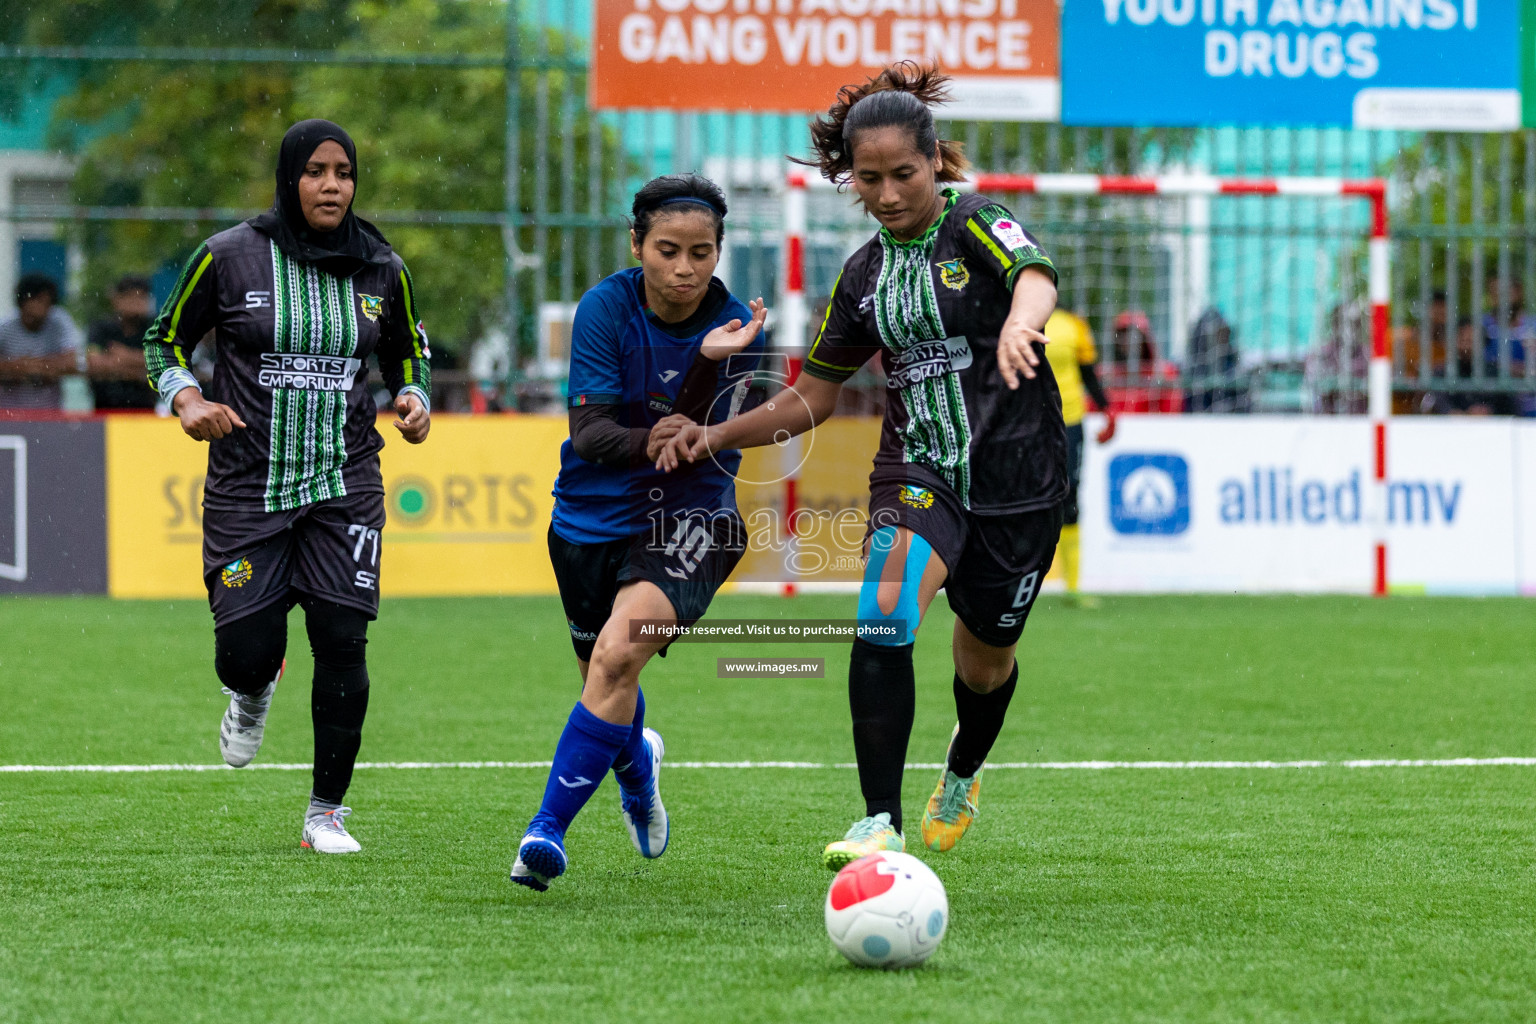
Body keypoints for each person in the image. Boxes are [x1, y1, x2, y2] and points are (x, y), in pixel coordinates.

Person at [658, 63, 1063, 866]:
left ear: (934, 161)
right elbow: (812, 399)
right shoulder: (863, 277)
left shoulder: (976, 222)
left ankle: (962, 770)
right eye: (867, 179)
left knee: (984, 665)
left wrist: (1022, 323)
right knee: (884, 610)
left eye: (902, 174)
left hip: (1019, 478)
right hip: (919, 469)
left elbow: (1036, 275)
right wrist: (715, 434)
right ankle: (879, 819)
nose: (886, 194)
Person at [143, 119, 431, 854]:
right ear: (289, 178)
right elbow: (164, 337)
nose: (332, 185)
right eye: (316, 171)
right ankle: (250, 689)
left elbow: (407, 350)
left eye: (344, 172)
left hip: (346, 483)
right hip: (247, 486)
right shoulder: (229, 257)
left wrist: (413, 397)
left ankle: (325, 814)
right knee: (244, 650)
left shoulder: (381, 269)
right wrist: (186, 399)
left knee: (342, 637)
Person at [509, 174, 768, 892]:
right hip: (588, 518)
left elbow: (704, 442)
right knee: (604, 674)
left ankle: (545, 832)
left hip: (693, 516)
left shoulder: (741, 327)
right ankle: (638, 770)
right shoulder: (603, 308)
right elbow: (591, 435)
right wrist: (674, 419)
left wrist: (716, 363)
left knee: (617, 657)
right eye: (667, 250)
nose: (685, 269)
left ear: (719, 251)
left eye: (701, 252)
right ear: (637, 245)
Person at [1042, 309, 1115, 609]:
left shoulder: (1074, 326)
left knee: (1069, 494)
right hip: (1028, 420)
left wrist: (1106, 410)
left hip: (1070, 421)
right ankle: (1019, 581)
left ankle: (1072, 586)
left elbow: (1087, 372)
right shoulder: (1016, 319)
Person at [0, 273, 83, 410]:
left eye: (47, 301)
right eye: (37, 299)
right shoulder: (5, 325)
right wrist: (19, 367)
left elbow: (73, 362)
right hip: (8, 413)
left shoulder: (59, 321)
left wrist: (30, 367)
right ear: (23, 302)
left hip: (49, 412)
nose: (42, 306)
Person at [86, 275, 158, 410]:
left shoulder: (155, 327)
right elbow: (94, 363)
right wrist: (140, 370)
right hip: (104, 410)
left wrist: (124, 356)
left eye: (142, 297)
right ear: (117, 299)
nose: (136, 302)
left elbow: (162, 362)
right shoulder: (100, 327)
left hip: (145, 411)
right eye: (130, 296)